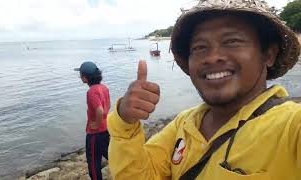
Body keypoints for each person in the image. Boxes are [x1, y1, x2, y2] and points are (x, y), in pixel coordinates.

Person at [107, 0, 301, 179]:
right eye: (200, 47)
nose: (212, 57)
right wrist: (125, 122)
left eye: (231, 41)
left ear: (268, 55)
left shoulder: (290, 126)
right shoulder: (184, 123)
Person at [75, 61, 110, 180]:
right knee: (111, 155)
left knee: (94, 164)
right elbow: (107, 106)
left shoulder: (91, 92)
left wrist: (96, 124)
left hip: (95, 134)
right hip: (106, 129)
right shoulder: (104, 87)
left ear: (85, 77)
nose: (79, 77)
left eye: (80, 74)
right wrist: (103, 120)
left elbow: (99, 110)